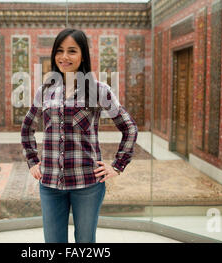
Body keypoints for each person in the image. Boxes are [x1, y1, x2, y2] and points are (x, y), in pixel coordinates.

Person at [20, 28, 138, 243]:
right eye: (60, 51)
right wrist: (32, 161)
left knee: (85, 242)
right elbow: (27, 126)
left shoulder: (99, 90)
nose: (64, 57)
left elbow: (129, 127)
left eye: (72, 51)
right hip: (50, 185)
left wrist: (117, 166)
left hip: (88, 184)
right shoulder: (45, 90)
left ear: (83, 55)